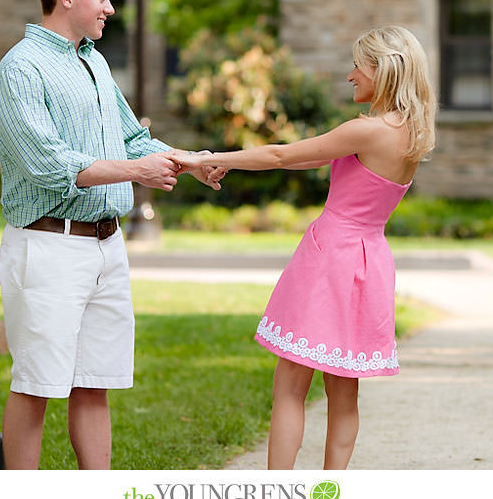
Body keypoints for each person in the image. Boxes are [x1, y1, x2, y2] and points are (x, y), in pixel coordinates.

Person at [0, 0, 224, 470]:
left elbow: (133, 138)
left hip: (106, 246)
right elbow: (48, 164)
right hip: (48, 245)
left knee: (93, 384)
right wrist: (138, 172)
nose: (111, 9)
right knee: (36, 385)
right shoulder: (20, 69)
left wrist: (190, 160)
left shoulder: (92, 60)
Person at [173, 25, 437, 470]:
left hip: (331, 257)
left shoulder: (367, 130)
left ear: (383, 70)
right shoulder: (411, 133)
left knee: (290, 387)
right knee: (344, 392)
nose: (351, 75)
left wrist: (210, 158)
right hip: (369, 262)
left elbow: (281, 155)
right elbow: (313, 156)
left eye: (359, 65)